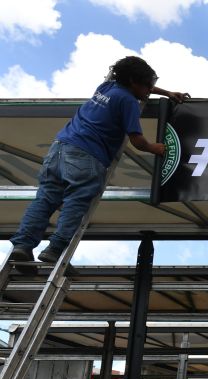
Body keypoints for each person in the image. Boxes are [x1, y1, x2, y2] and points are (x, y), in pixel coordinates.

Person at [8, 56, 188, 265]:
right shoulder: (128, 101)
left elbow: (141, 88)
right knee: (76, 203)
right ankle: (55, 248)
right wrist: (154, 148)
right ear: (133, 81)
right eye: (148, 84)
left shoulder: (106, 86)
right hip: (88, 155)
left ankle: (22, 245)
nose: (150, 89)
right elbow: (137, 140)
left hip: (59, 148)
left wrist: (165, 93)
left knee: (45, 199)